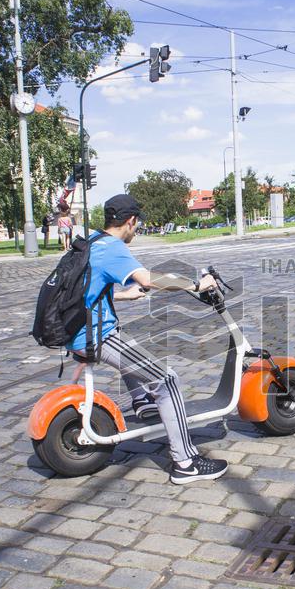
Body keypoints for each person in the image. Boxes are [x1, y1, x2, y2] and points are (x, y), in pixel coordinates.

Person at [68, 193, 227, 485]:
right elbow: (149, 279)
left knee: (130, 347)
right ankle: (185, 462)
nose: (137, 229)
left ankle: (142, 403)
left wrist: (122, 294)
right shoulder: (113, 248)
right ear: (130, 221)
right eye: (137, 223)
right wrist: (195, 284)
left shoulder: (91, 242)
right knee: (167, 380)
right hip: (95, 334)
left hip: (79, 330)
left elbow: (83, 290)